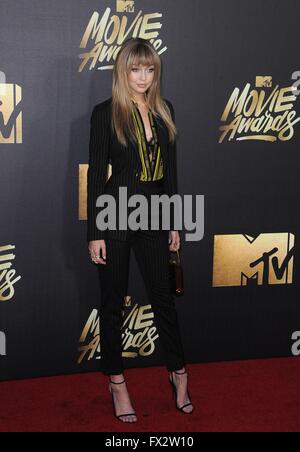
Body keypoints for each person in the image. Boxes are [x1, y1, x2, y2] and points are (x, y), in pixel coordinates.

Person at [87, 37, 194, 423]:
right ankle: (117, 383)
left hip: (154, 214)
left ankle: (178, 374)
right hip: (114, 212)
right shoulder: (106, 113)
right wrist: (95, 232)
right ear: (123, 71)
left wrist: (175, 221)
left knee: (163, 298)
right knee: (113, 303)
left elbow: (171, 174)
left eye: (150, 69)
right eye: (136, 69)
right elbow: (97, 175)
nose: (143, 76)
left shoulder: (166, 110)